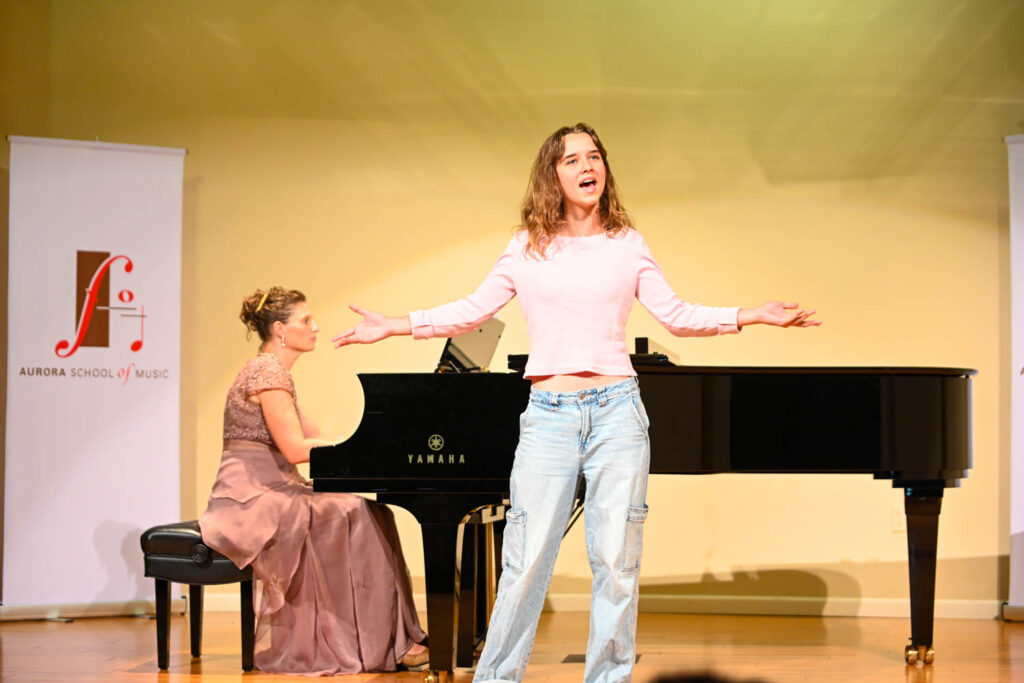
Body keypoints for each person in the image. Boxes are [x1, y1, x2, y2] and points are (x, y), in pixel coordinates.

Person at [333, 123, 820, 682]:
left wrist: (752, 315)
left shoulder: (627, 244)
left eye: (594, 156)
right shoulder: (527, 247)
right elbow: (470, 311)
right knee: (525, 561)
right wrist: (394, 325)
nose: (587, 166)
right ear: (553, 175)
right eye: (572, 159)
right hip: (549, 416)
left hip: (618, 413)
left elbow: (678, 316)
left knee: (616, 562)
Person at [199, 287, 428, 675]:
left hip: (274, 488)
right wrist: (366, 449)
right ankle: (381, 643)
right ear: (280, 329)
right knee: (355, 511)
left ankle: (387, 639)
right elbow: (294, 449)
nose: (316, 326)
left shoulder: (274, 372)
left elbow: (316, 438)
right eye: (306, 320)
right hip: (251, 497)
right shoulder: (267, 372)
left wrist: (363, 446)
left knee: (371, 511)